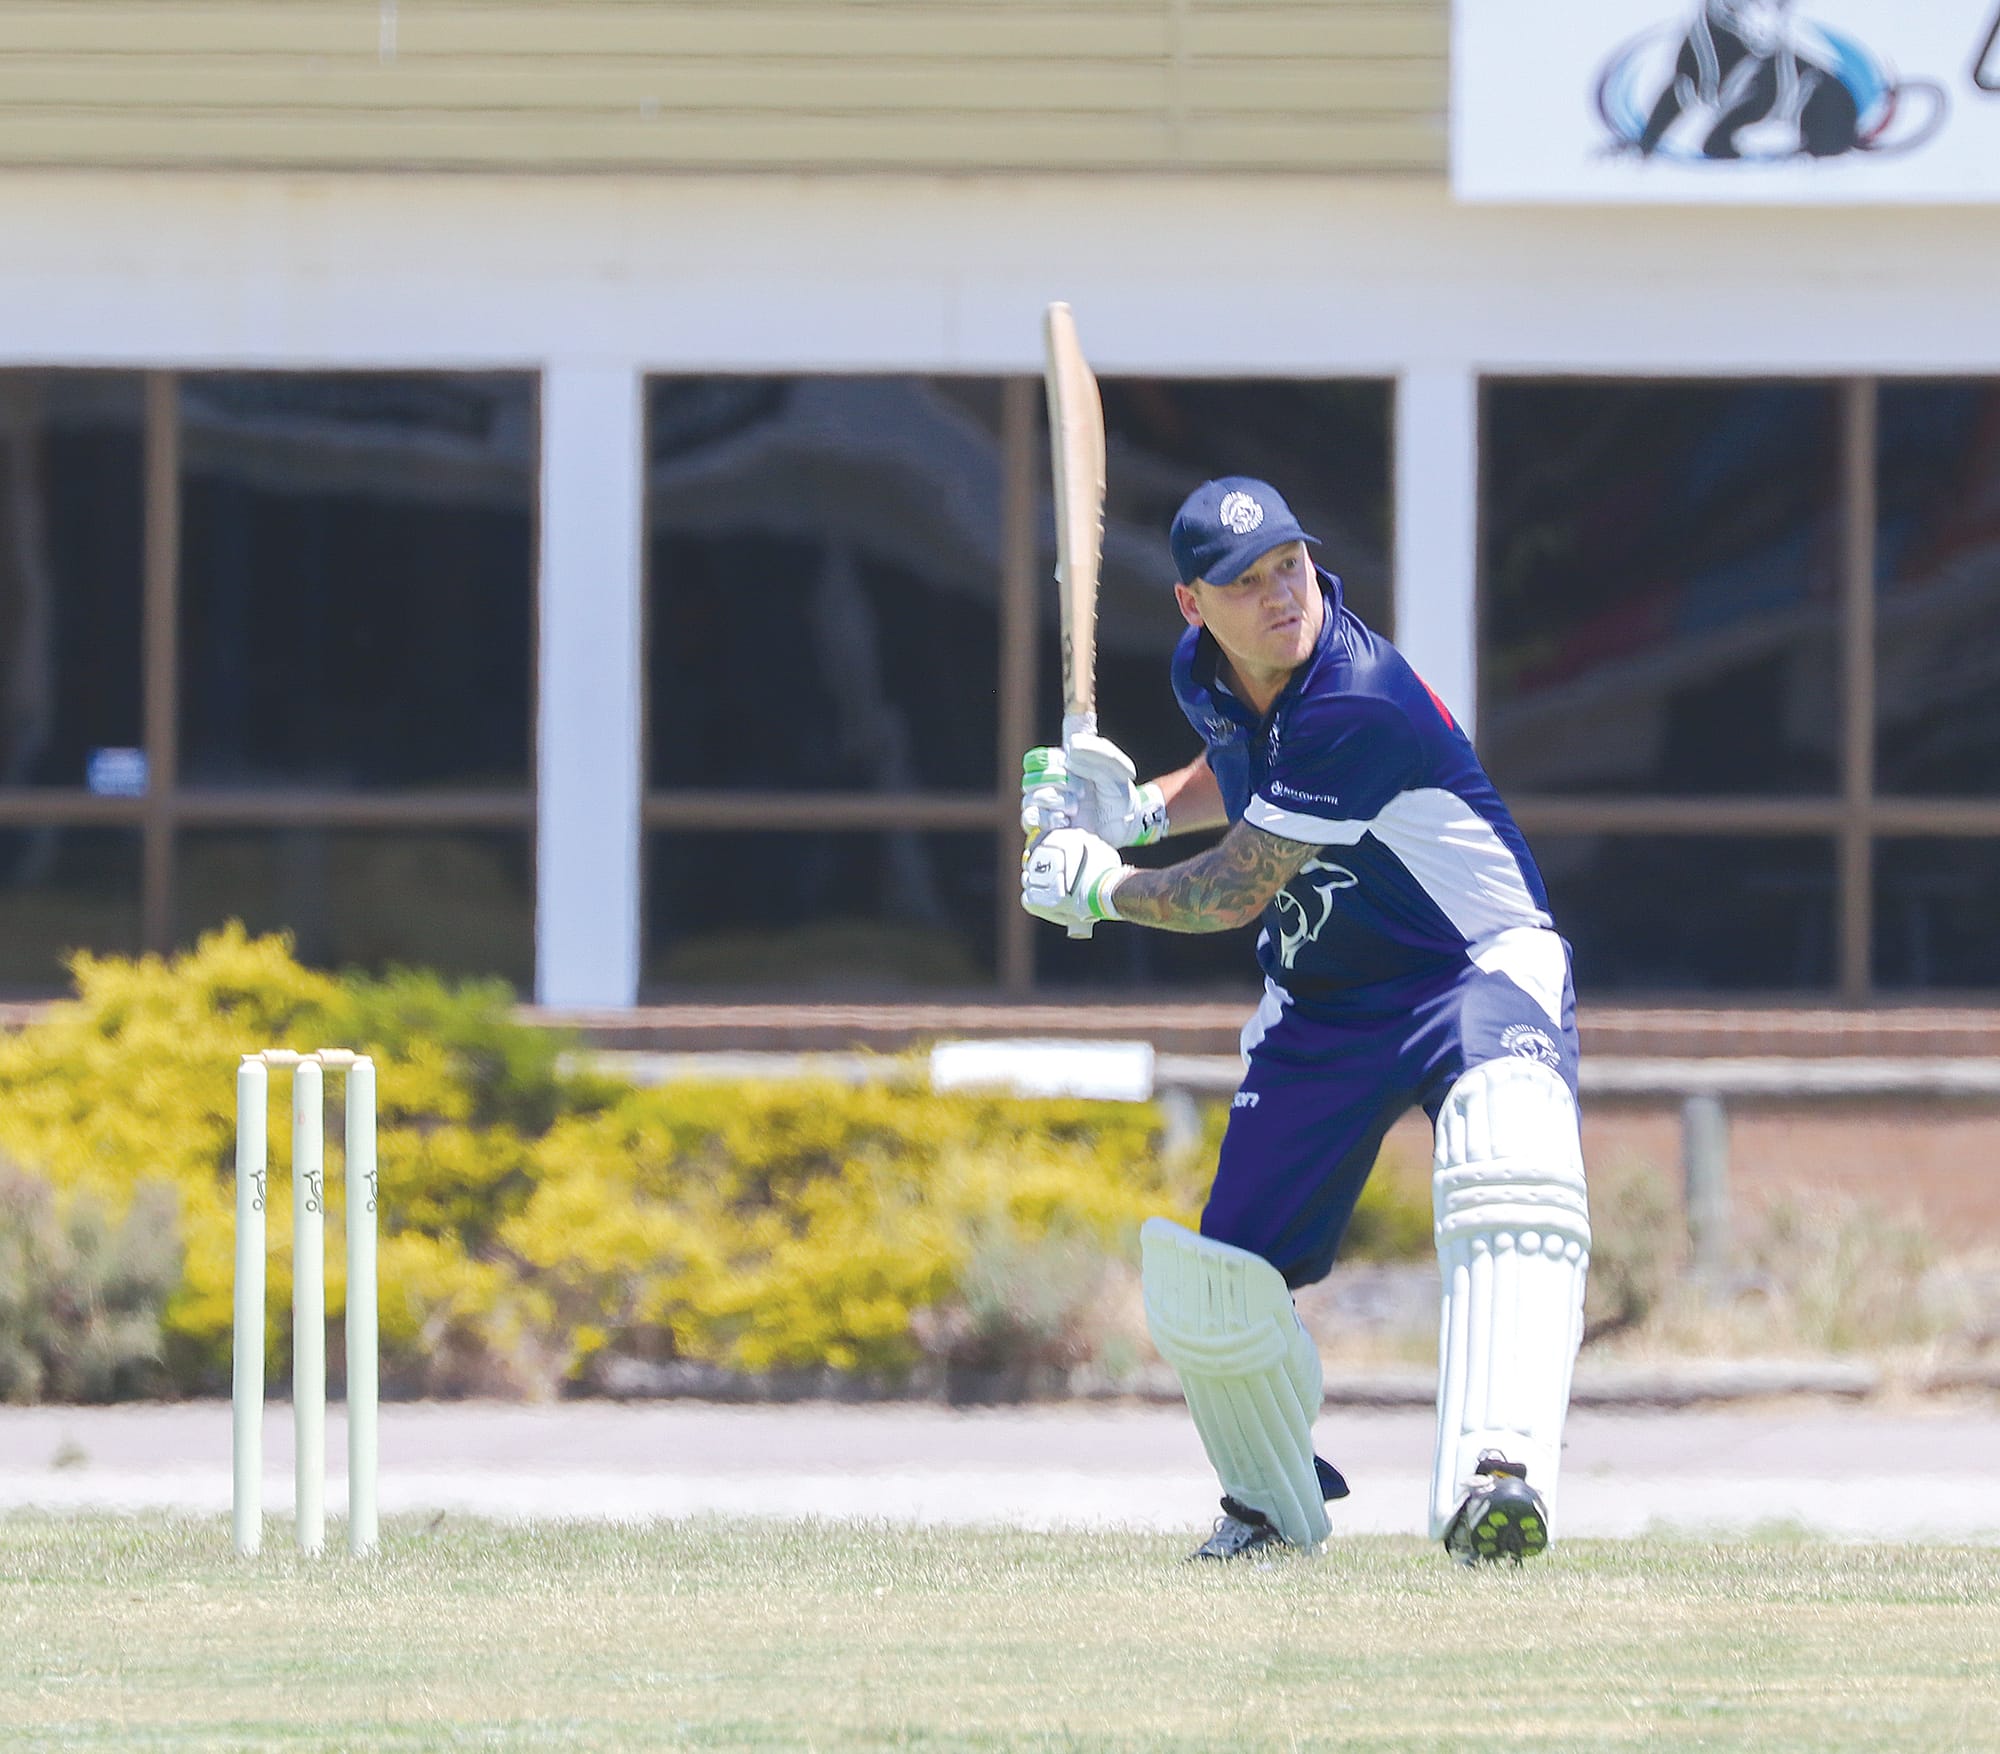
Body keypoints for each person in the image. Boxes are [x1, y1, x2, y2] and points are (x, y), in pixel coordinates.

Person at [1020, 476, 1591, 1565]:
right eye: (1246, 580)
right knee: (1218, 1282)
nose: (1284, 593)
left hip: (1466, 966)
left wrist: (1100, 885)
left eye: (1289, 563)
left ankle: (1495, 1480)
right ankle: (1271, 1502)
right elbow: (1238, 772)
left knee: (1506, 1168)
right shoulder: (1210, 674)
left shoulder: (1354, 694)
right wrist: (1136, 808)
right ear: (1193, 606)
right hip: (1323, 998)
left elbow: (1231, 887)